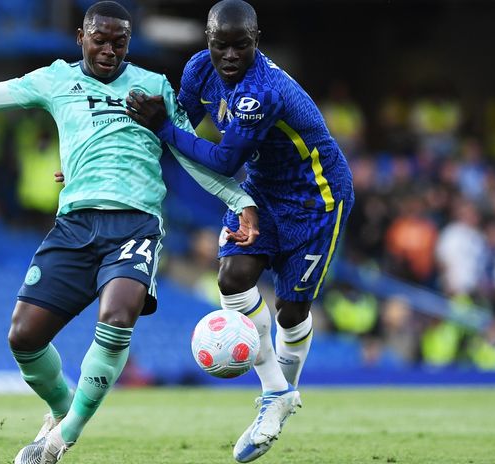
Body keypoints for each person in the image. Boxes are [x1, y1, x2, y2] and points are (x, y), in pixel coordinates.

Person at [0, 2, 259, 463]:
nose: (110, 50)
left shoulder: (153, 87)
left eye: (120, 41)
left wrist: (241, 200)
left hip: (135, 224)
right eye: (100, 39)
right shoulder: (56, 80)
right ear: (81, 36)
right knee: (23, 337)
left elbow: (188, 153)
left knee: (117, 316)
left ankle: (59, 441)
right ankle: (61, 407)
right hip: (75, 224)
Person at [125, 0, 354, 461]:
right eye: (220, 46)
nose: (229, 55)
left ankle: (282, 390)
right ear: (206, 42)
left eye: (241, 46)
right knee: (231, 278)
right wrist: (107, 166)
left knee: (291, 310)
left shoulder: (262, 90)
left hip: (317, 198)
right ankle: (276, 395)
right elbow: (178, 129)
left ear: (256, 41)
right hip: (263, 191)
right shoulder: (198, 71)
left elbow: (221, 159)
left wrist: (166, 129)